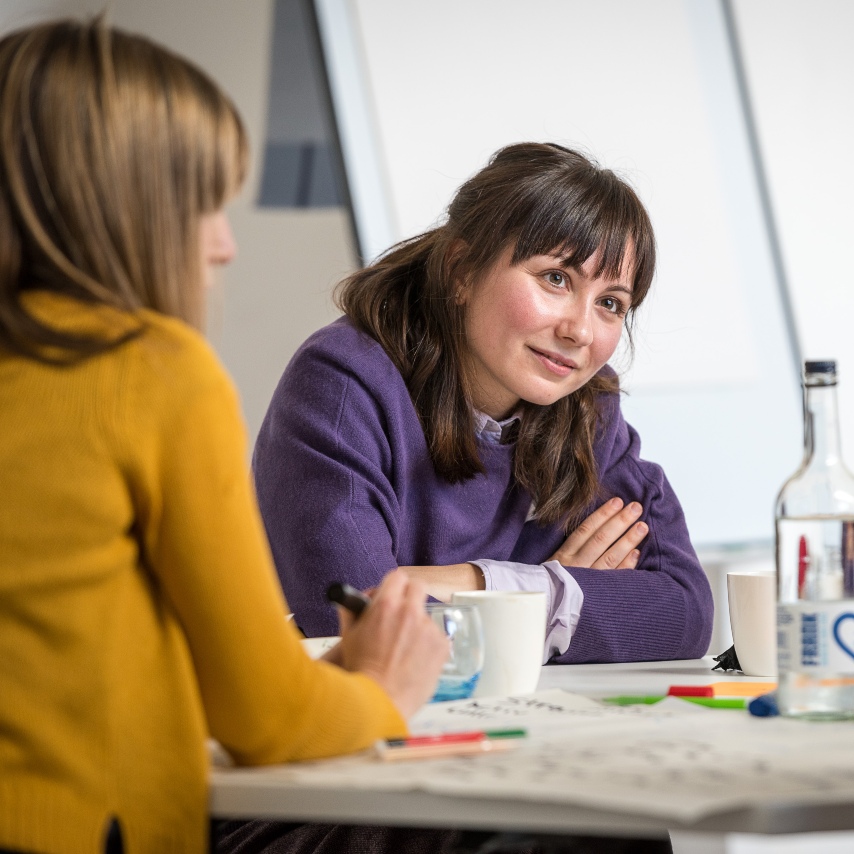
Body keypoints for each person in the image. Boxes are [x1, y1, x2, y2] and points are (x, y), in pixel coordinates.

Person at [0, 18, 450, 854]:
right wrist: (385, 693)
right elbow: (266, 721)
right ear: (120, 207)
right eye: (202, 203)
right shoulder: (151, 370)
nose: (224, 244)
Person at [253, 141, 714, 665]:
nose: (580, 330)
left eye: (611, 303)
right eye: (555, 278)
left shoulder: (588, 406)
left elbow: (686, 613)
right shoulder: (339, 385)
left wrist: (494, 585)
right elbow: (371, 631)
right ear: (461, 271)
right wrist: (559, 598)